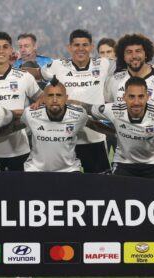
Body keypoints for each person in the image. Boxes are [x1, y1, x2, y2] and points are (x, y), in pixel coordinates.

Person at [40, 29, 114, 174]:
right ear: (69, 47)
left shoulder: (104, 64)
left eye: (85, 45)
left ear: (92, 47)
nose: (81, 48)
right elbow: (36, 73)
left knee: (98, 182)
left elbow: (132, 65)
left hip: (94, 137)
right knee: (64, 183)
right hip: (64, 137)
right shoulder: (57, 65)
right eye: (76, 45)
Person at [72, 76, 154, 180]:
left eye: (141, 96)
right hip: (124, 163)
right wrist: (66, 102)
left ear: (147, 97)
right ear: (124, 97)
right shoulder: (115, 110)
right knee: (117, 194)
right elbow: (87, 108)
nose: (136, 102)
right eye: (131, 96)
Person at [0, 31, 42, 171]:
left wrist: (36, 105)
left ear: (11, 50)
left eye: (5, 47)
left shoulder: (24, 77)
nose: (1, 51)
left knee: (19, 192)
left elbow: (43, 97)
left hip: (19, 150)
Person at [21, 76, 88, 172]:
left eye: (59, 95)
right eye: (50, 95)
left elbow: (91, 124)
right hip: (35, 170)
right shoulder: (30, 114)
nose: (55, 100)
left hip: (69, 170)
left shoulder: (79, 115)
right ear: (43, 98)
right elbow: (17, 125)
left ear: (66, 98)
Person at [105, 34, 154, 107]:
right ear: (124, 57)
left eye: (138, 51)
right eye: (129, 52)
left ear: (146, 54)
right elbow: (107, 109)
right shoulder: (114, 80)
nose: (134, 56)